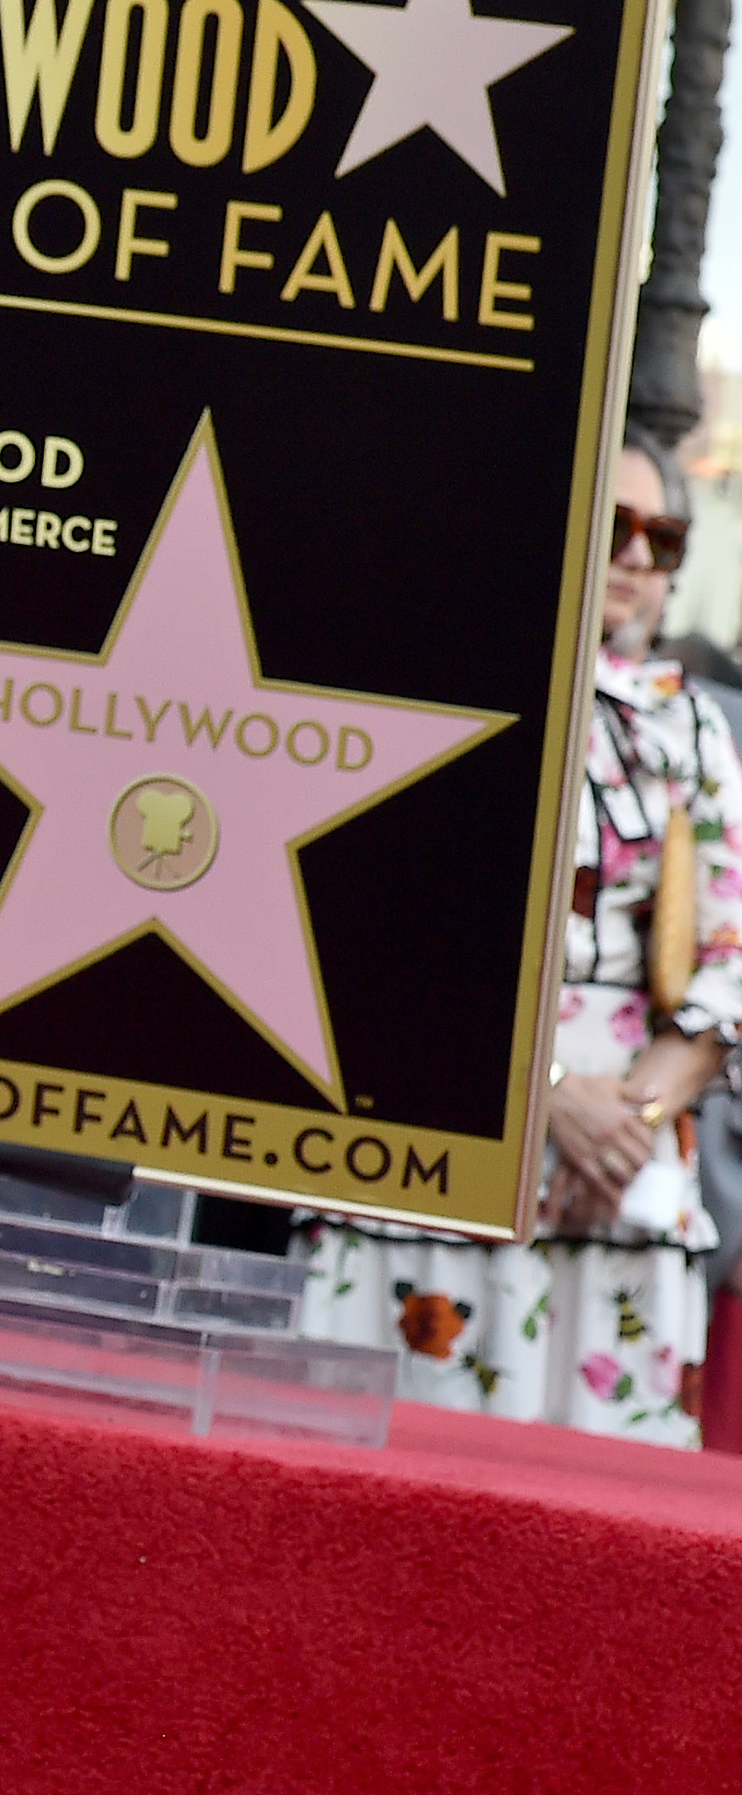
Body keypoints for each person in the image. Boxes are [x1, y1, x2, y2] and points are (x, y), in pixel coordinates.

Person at [301, 434, 742, 1439]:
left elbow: (730, 958)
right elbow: (371, 940)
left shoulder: (695, 728)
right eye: (614, 527)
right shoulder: (430, 686)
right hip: (430, 1152)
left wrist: (622, 1121)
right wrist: (547, 1096)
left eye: (664, 537)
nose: (638, 556)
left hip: (622, 1183)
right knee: (380, 1485)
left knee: (593, 1511)